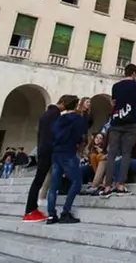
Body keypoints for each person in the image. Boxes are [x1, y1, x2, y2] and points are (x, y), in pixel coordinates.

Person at [22, 95, 68, 223]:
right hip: (48, 150)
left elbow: (41, 134)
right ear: (63, 103)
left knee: (39, 180)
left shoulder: (47, 113)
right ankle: (30, 211)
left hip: (42, 149)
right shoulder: (55, 115)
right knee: (39, 180)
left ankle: (31, 209)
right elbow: (54, 134)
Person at [101, 64, 136, 197]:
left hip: (116, 122)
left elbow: (113, 103)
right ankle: (120, 184)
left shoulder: (116, 86)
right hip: (130, 123)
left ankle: (107, 186)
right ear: (134, 73)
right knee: (126, 154)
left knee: (112, 153)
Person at [46, 95, 88, 224]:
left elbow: (52, 134)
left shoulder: (59, 119)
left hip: (56, 153)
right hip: (68, 152)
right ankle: (66, 211)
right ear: (76, 105)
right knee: (76, 182)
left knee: (54, 186)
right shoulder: (77, 119)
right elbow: (79, 136)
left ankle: (51, 215)